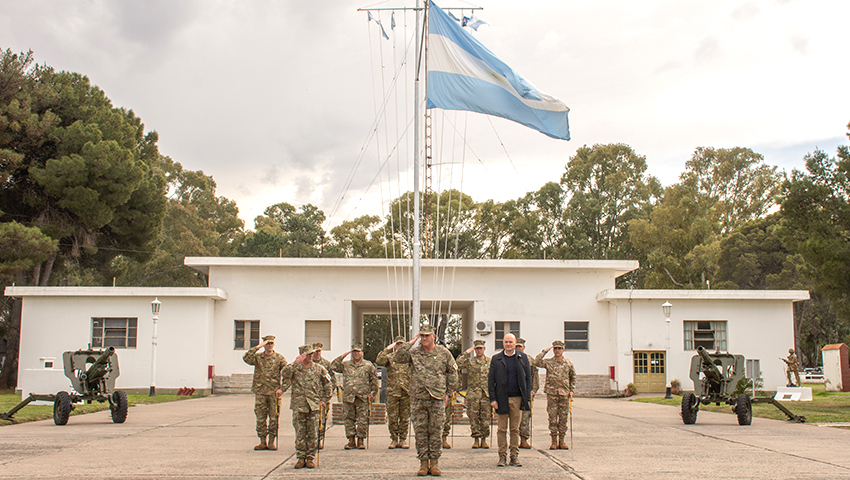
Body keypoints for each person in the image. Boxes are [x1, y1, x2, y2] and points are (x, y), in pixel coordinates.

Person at [394, 325, 458, 477]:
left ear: (434, 337)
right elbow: (397, 357)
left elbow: (452, 373)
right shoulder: (414, 353)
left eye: (427, 335)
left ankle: (434, 462)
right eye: (422, 335)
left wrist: (448, 393)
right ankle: (423, 463)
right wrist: (411, 341)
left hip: (437, 399)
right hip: (418, 398)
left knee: (436, 431)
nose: (424, 338)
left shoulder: (444, 353)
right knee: (421, 432)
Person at [281, 344, 333, 469]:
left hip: (314, 406)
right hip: (299, 405)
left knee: (313, 433)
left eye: (312, 354)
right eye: (308, 354)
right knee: (300, 433)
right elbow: (284, 373)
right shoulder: (295, 368)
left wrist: (324, 400)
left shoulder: (319, 369)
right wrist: (295, 362)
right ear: (302, 355)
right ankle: (300, 458)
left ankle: (310, 458)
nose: (311, 356)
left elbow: (328, 385)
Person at [488, 333, 532, 467]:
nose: (508, 344)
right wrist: (493, 399)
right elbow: (491, 380)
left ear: (515, 343)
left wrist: (526, 396)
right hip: (501, 399)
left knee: (515, 429)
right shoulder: (496, 359)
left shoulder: (522, 358)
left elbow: (528, 378)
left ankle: (514, 456)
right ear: (503, 343)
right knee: (501, 429)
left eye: (511, 342)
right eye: (506, 342)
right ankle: (502, 456)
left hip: (517, 399)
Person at [242, 335, 287, 451]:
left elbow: (287, 373)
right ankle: (262, 441)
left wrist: (282, 388)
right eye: (267, 343)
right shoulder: (257, 358)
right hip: (261, 392)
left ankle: (271, 441)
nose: (269, 345)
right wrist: (257, 347)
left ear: (274, 344)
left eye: (271, 343)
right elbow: (246, 358)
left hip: (273, 393)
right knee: (260, 418)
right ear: (264, 345)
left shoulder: (279, 358)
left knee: (274, 418)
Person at [331, 344, 379, 450]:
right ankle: (351, 440)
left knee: (362, 419)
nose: (356, 353)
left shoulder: (368, 365)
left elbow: (374, 380)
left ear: (362, 353)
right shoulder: (346, 365)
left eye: (358, 351)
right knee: (348, 419)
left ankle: (361, 440)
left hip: (363, 397)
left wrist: (373, 393)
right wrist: (345, 354)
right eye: (354, 351)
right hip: (349, 397)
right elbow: (333, 366)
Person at [534, 340, 576, 450]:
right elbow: (536, 362)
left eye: (559, 348)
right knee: (552, 418)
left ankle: (562, 440)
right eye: (555, 348)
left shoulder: (568, 363)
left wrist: (572, 390)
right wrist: (544, 351)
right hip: (552, 394)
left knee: (563, 418)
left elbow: (573, 377)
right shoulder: (549, 362)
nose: (557, 350)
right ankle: (553, 441)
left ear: (563, 350)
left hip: (564, 394)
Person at [376, 336, 411, 449]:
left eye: (402, 344)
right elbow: (379, 361)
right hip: (393, 391)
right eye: (397, 344)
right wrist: (387, 349)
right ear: (395, 346)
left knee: (404, 417)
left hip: (406, 391)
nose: (399, 346)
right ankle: (394, 439)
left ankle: (403, 439)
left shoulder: (409, 358)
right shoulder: (390, 357)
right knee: (392, 417)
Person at [456, 339, 491, 449]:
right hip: (473, 394)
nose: (479, 350)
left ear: (484, 349)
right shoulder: (470, 362)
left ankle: (484, 439)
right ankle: (476, 439)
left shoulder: (490, 362)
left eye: (480, 348)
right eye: (477, 348)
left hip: (486, 394)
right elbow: (457, 363)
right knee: (473, 417)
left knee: (485, 418)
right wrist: (467, 352)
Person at [516, 338, 539, 449]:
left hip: (525, 392)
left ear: (524, 347)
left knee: (525, 416)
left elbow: (534, 375)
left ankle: (524, 439)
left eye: (520, 346)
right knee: (514, 418)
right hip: (513, 392)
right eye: (517, 346)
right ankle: (514, 440)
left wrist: (534, 389)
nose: (518, 348)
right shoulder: (510, 358)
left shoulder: (529, 360)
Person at [311, 342, 335, 449]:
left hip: (322, 398)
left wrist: (328, 394)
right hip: (310, 396)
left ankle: (319, 440)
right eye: (315, 351)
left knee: (321, 420)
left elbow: (332, 379)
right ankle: (311, 440)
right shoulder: (307, 363)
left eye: (319, 351)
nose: (317, 353)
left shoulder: (326, 364)